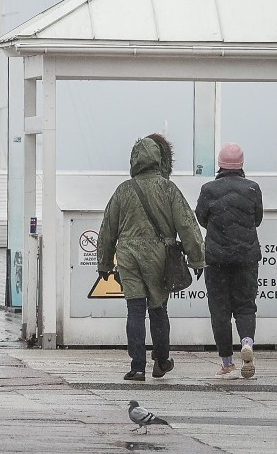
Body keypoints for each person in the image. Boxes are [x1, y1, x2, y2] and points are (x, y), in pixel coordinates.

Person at [97, 134, 205, 382]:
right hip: (159, 255)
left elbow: (107, 230)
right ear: (158, 159)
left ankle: (136, 367)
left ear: (134, 160)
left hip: (127, 256)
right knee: (158, 309)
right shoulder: (167, 188)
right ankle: (161, 360)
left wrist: (104, 263)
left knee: (134, 310)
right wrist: (197, 258)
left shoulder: (123, 190)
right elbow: (187, 225)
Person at [195, 142, 263, 378]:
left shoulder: (208, 189)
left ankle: (226, 361)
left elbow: (201, 218)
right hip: (246, 257)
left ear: (220, 164)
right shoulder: (253, 188)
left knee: (220, 311)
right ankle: (247, 342)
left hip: (217, 259)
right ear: (241, 165)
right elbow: (257, 219)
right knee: (245, 306)